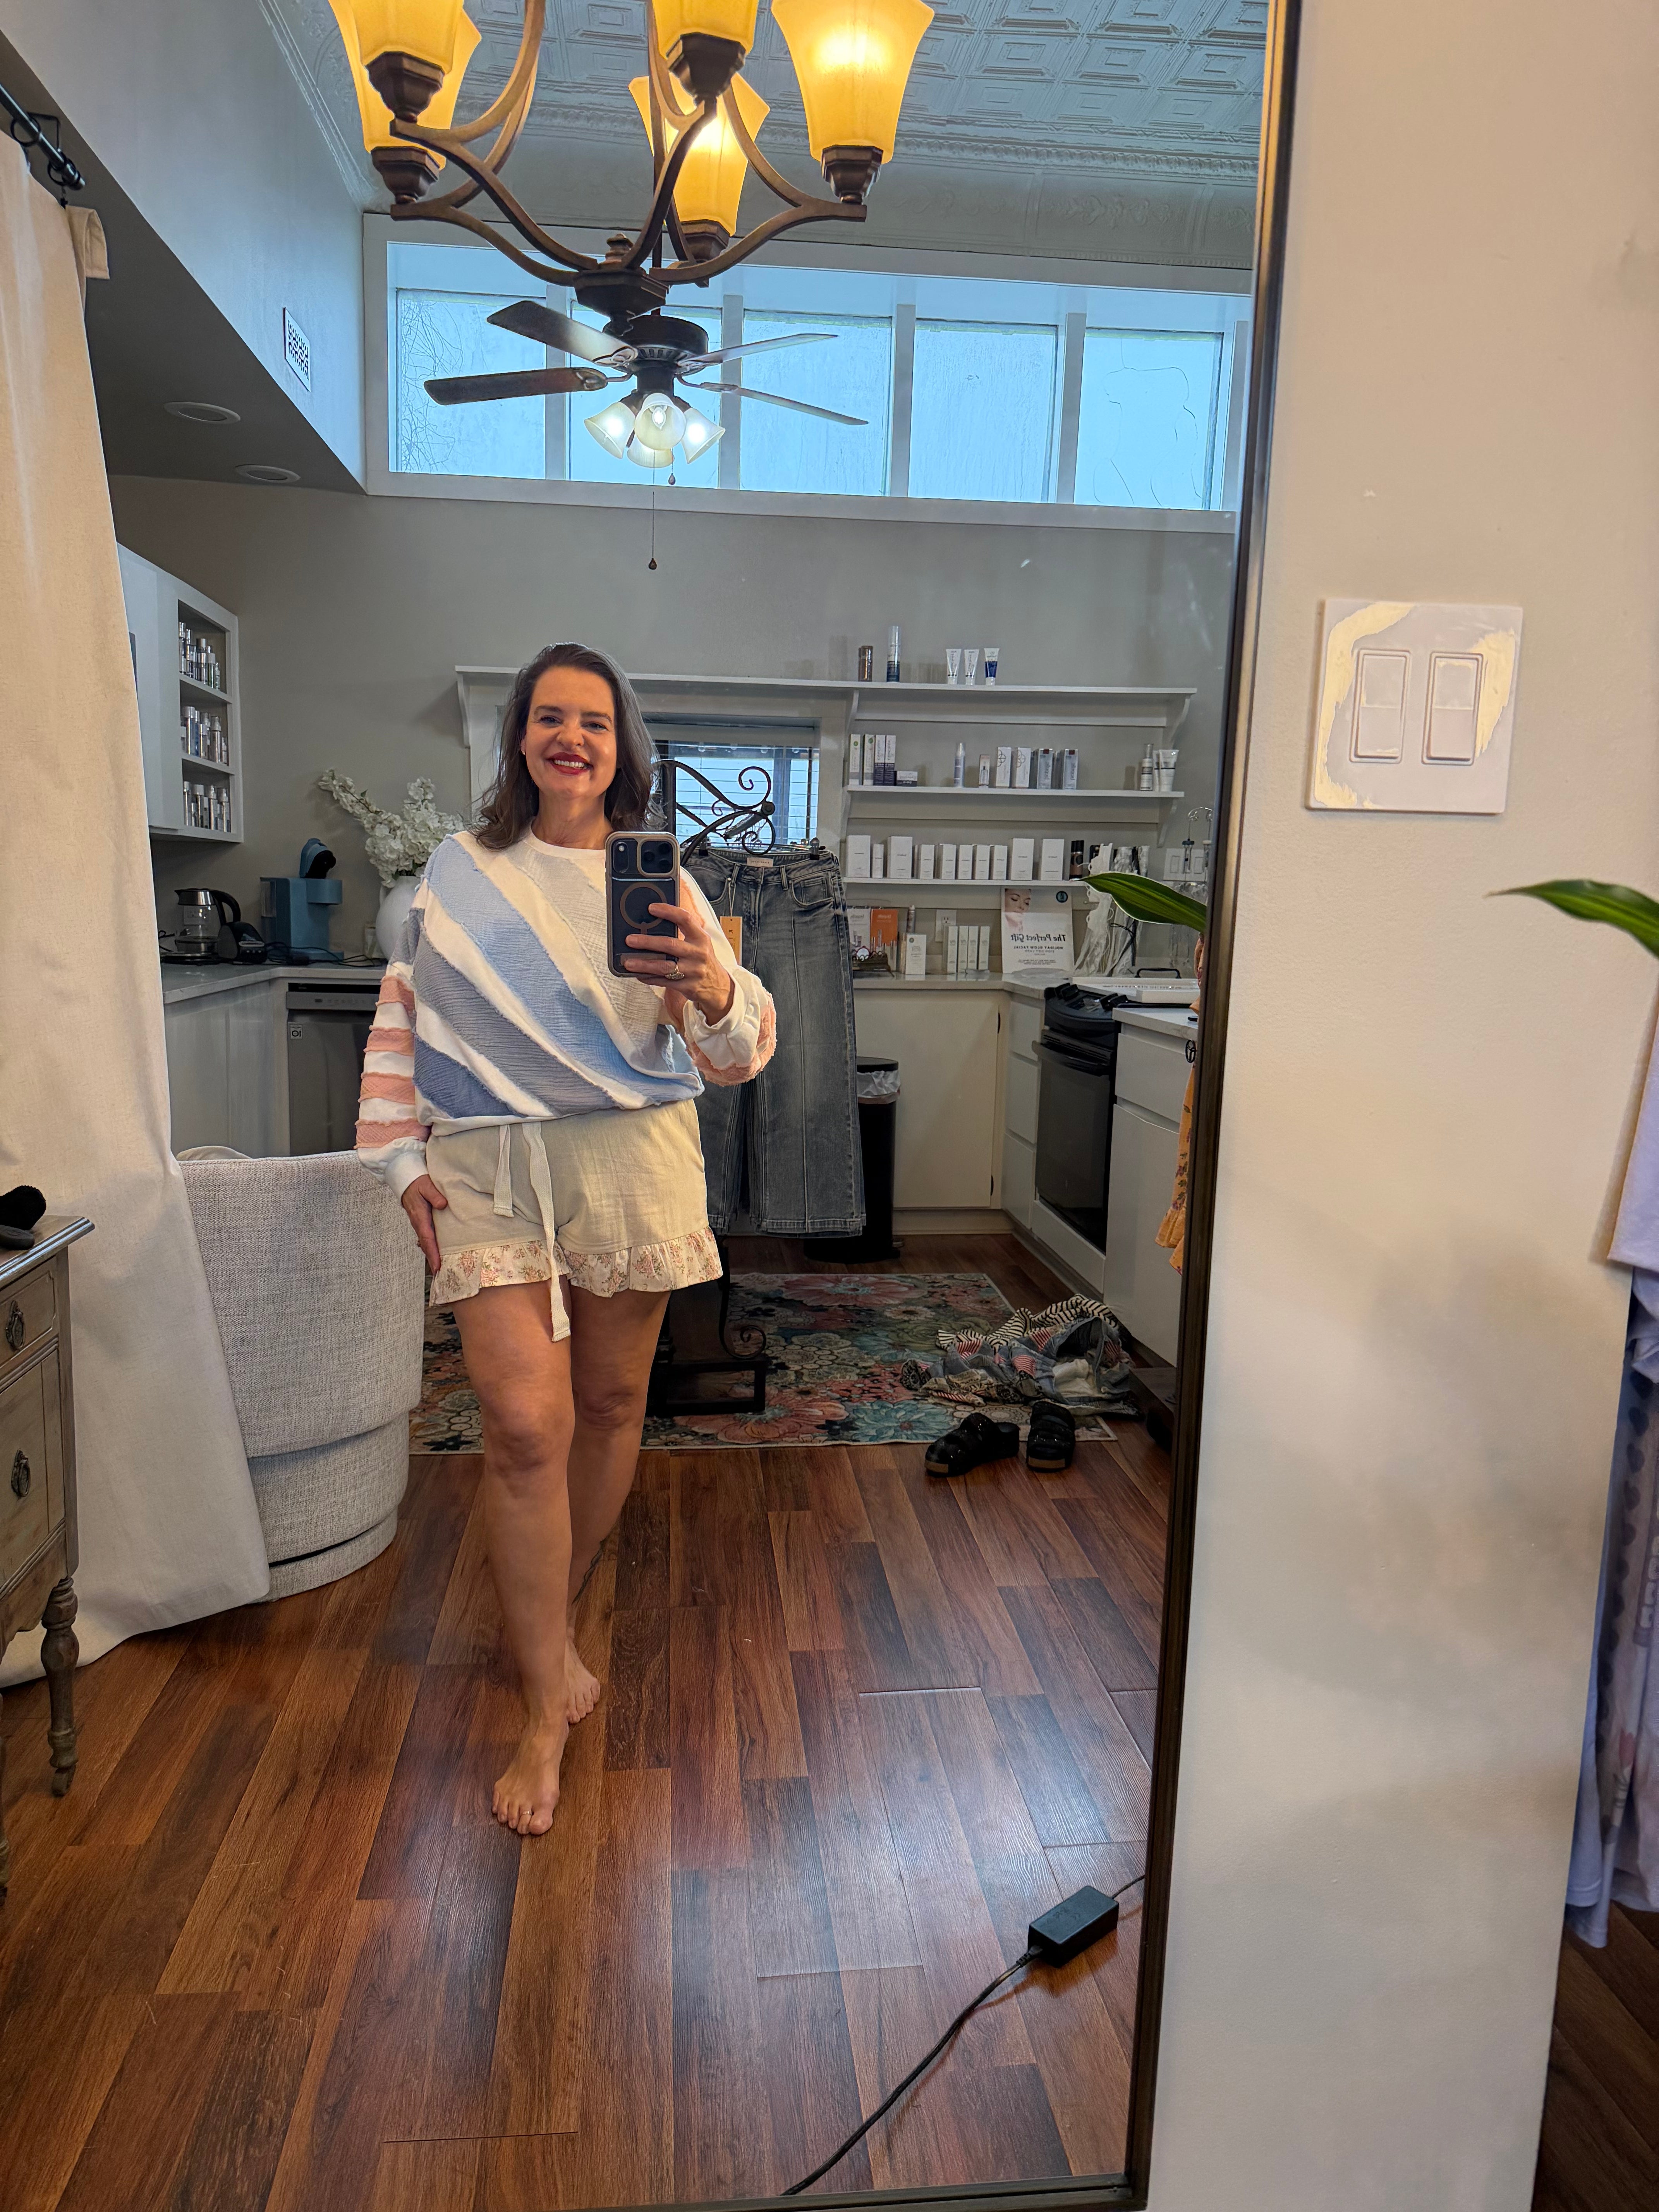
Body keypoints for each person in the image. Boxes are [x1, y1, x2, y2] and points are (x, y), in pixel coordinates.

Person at [355, 642, 775, 1835]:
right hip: (486, 1163)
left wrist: (709, 983)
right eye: (550, 717)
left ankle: (552, 1607)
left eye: (594, 720)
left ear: (621, 745)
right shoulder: (457, 869)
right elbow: (403, 1018)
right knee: (523, 1426)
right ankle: (544, 1696)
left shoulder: (663, 881)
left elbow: (740, 1058)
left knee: (602, 1410)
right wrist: (396, 1156)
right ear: (522, 740)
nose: (571, 738)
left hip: (631, 1160)